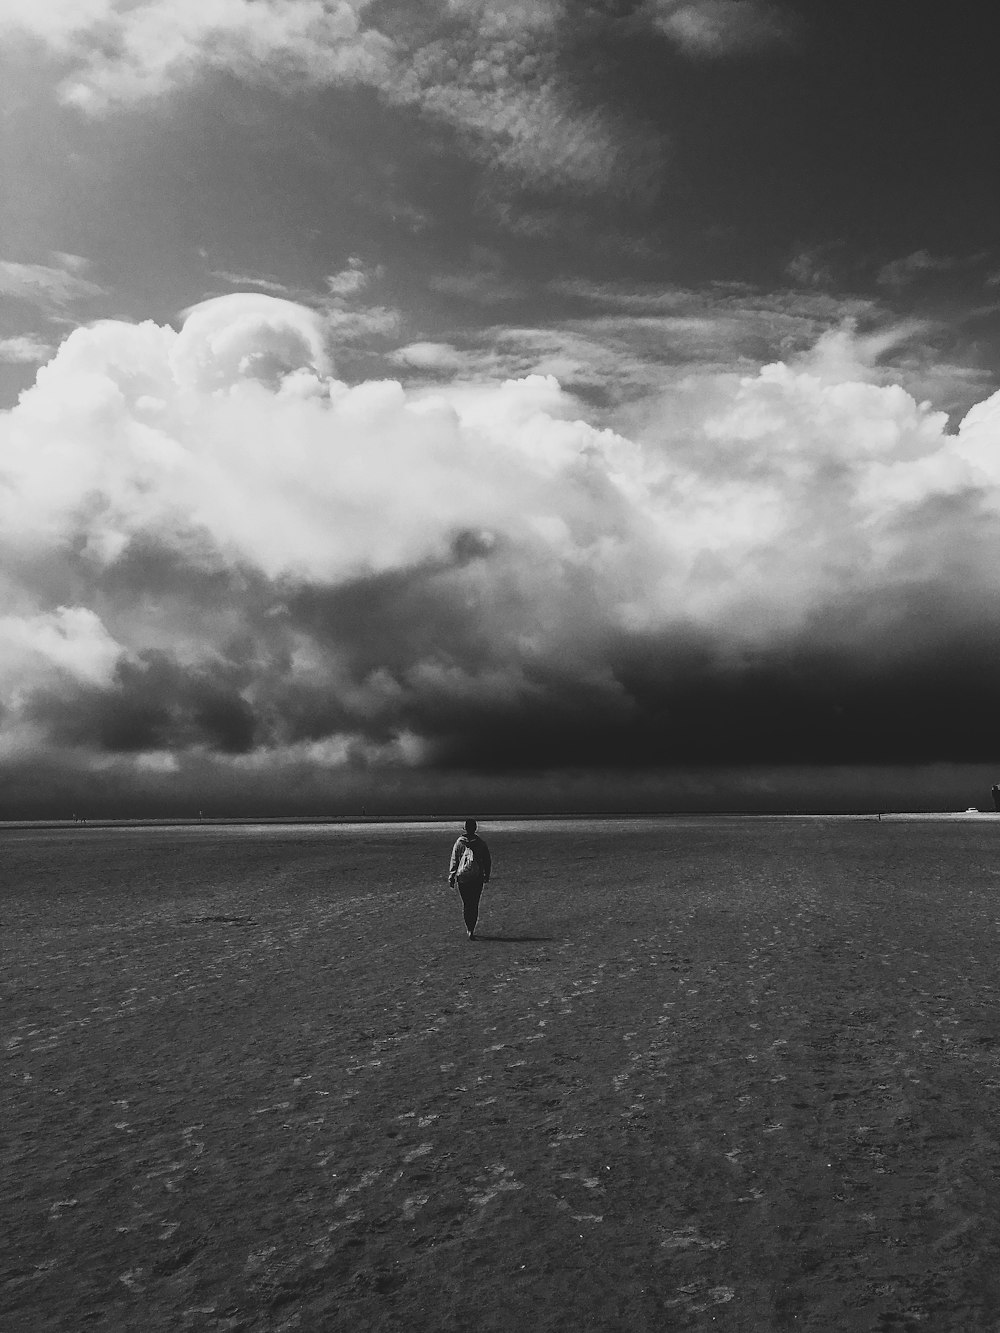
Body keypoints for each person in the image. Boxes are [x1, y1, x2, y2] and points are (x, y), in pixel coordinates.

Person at [448, 818, 492, 940]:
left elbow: (454, 860)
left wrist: (452, 876)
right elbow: (487, 861)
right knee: (474, 903)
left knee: (467, 904)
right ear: (475, 828)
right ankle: (471, 927)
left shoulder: (459, 843)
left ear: (465, 828)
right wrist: (486, 875)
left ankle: (469, 928)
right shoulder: (481, 843)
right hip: (477, 878)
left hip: (462, 878)